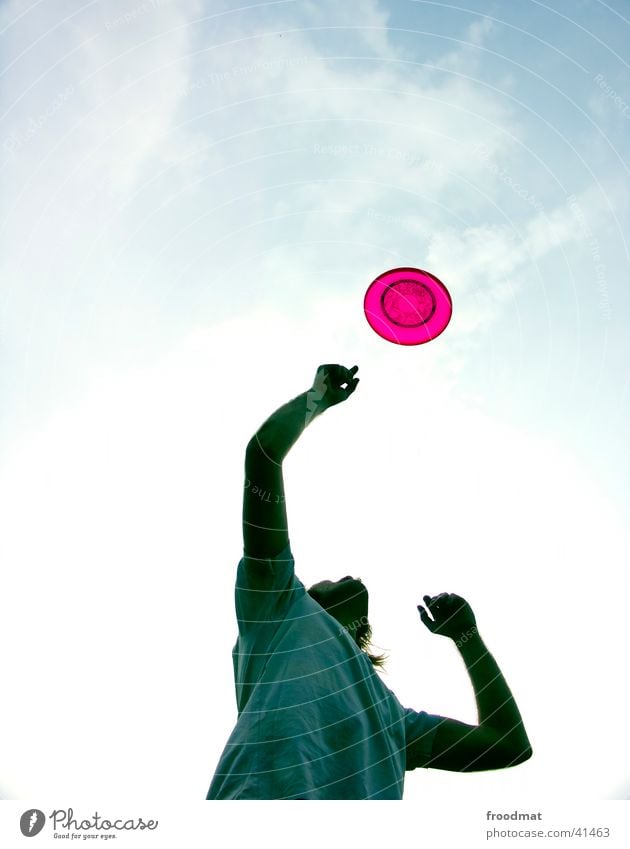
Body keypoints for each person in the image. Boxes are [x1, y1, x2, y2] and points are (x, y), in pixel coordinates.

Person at [206, 364, 532, 799]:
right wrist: (314, 400)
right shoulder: (278, 607)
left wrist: (468, 638)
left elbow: (508, 746)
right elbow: (263, 456)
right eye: (322, 580)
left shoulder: (395, 720)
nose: (340, 576)